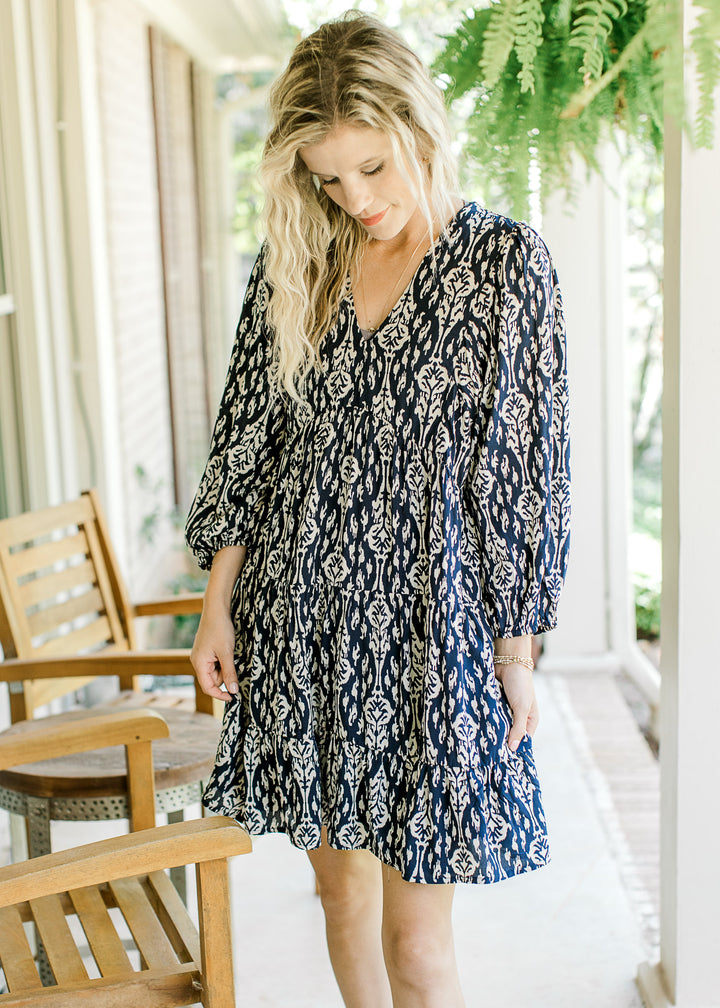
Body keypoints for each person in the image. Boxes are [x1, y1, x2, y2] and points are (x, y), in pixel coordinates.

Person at [186, 12, 570, 1008]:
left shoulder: (505, 266)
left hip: (430, 636)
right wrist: (217, 604)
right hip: (300, 622)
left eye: (372, 167)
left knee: (419, 941)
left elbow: (529, 474)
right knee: (340, 901)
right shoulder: (299, 265)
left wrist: (518, 653)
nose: (355, 197)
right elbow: (247, 441)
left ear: (420, 132)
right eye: (328, 176)